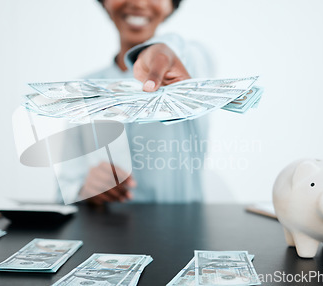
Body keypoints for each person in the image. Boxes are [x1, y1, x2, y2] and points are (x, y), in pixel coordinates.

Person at [58, 0, 214, 205]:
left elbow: (192, 53)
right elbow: (63, 192)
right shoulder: (82, 90)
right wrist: (84, 190)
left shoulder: (189, 66)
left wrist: (162, 50)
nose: (139, 2)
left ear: (171, 6)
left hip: (181, 230)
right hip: (105, 231)